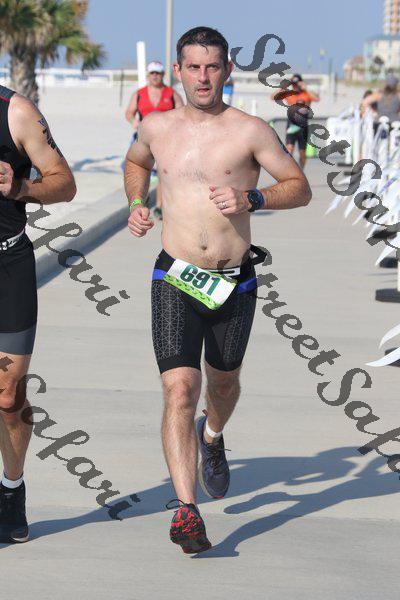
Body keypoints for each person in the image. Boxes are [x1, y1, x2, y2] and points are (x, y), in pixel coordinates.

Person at [124, 26, 311, 554]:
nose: (203, 77)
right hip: (175, 276)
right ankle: (187, 510)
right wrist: (137, 202)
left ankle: (212, 435)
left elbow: (299, 187)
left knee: (222, 385)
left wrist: (254, 200)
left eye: (212, 67)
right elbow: (136, 163)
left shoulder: (250, 130)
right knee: (179, 389)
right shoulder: (156, 126)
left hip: (234, 281)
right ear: (177, 71)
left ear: (227, 70)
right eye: (193, 67)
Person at [0, 85, 76, 543]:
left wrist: (21, 188)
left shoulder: (16, 112)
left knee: (8, 397)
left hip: (7, 264)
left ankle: (11, 489)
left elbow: (65, 183)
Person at [125, 61, 183, 220]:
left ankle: (159, 206)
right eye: (153, 73)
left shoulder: (171, 94)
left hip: (166, 140)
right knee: (138, 170)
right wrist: (134, 122)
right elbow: (129, 112)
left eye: (158, 73)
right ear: (148, 75)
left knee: (163, 173)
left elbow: (182, 114)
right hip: (143, 139)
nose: (155, 76)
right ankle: (140, 203)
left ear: (163, 75)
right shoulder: (139, 94)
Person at [272, 73, 320, 169]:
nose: (295, 86)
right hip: (291, 124)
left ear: (301, 83)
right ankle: (290, 171)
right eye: (293, 84)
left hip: (303, 125)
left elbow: (317, 98)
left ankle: (301, 171)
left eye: (297, 84)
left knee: (302, 153)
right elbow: (273, 97)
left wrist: (306, 88)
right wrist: (282, 88)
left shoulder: (306, 94)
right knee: (289, 149)